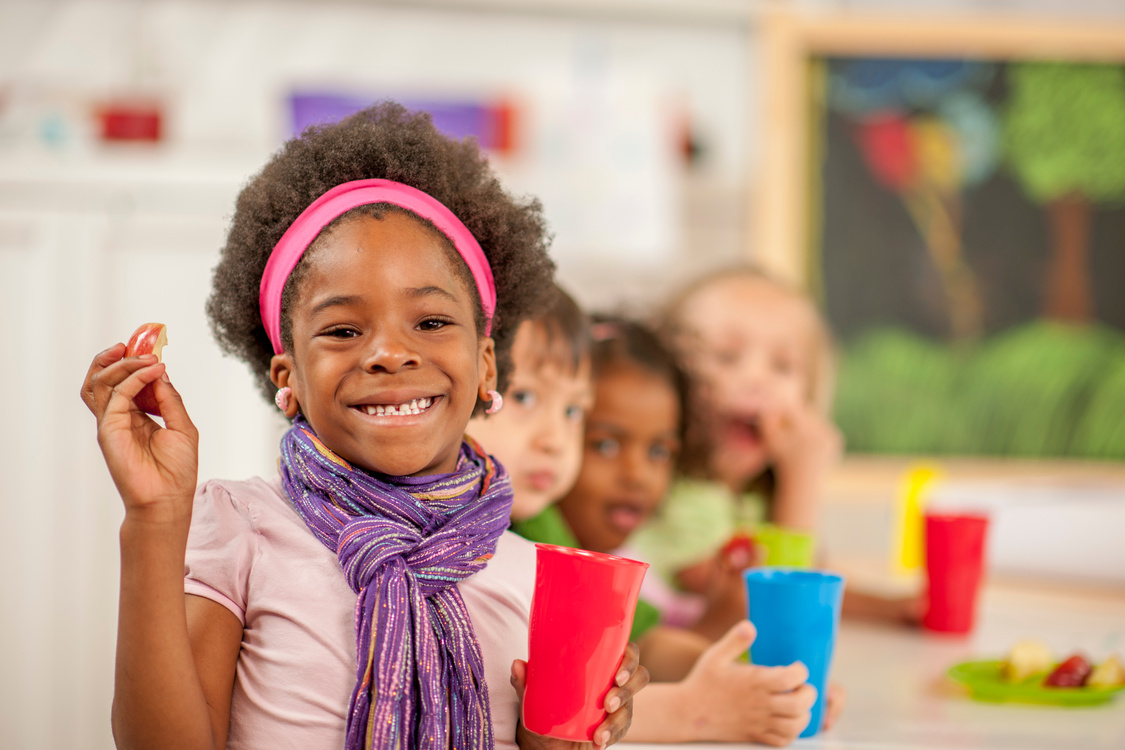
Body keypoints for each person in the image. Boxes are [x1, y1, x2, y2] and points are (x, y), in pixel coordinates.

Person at [79, 102, 646, 750]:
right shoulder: (242, 526)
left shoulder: (538, 578)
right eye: (344, 330)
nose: (389, 353)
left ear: (487, 364)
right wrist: (154, 519)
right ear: (286, 379)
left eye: (430, 322)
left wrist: (553, 740)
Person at [480, 312, 832, 745]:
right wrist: (709, 705)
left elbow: (648, 641)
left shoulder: (572, 539)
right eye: (606, 444)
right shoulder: (528, 530)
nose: (638, 475)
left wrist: (759, 685)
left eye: (659, 452)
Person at [632, 266, 922, 637]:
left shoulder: (752, 496)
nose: (757, 378)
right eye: (726, 356)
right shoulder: (678, 495)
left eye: (783, 366)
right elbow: (780, 600)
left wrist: (894, 608)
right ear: (669, 378)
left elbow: (817, 581)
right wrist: (803, 479)